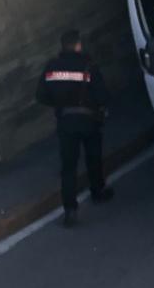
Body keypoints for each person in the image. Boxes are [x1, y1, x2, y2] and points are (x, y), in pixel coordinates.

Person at [36, 29, 112, 227]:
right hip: (88, 121)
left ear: (62, 47)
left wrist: (59, 104)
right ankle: (98, 191)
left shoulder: (51, 67)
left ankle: (70, 209)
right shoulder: (88, 66)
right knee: (93, 158)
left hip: (66, 122)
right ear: (78, 45)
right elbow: (102, 95)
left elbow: (41, 96)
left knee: (68, 167)